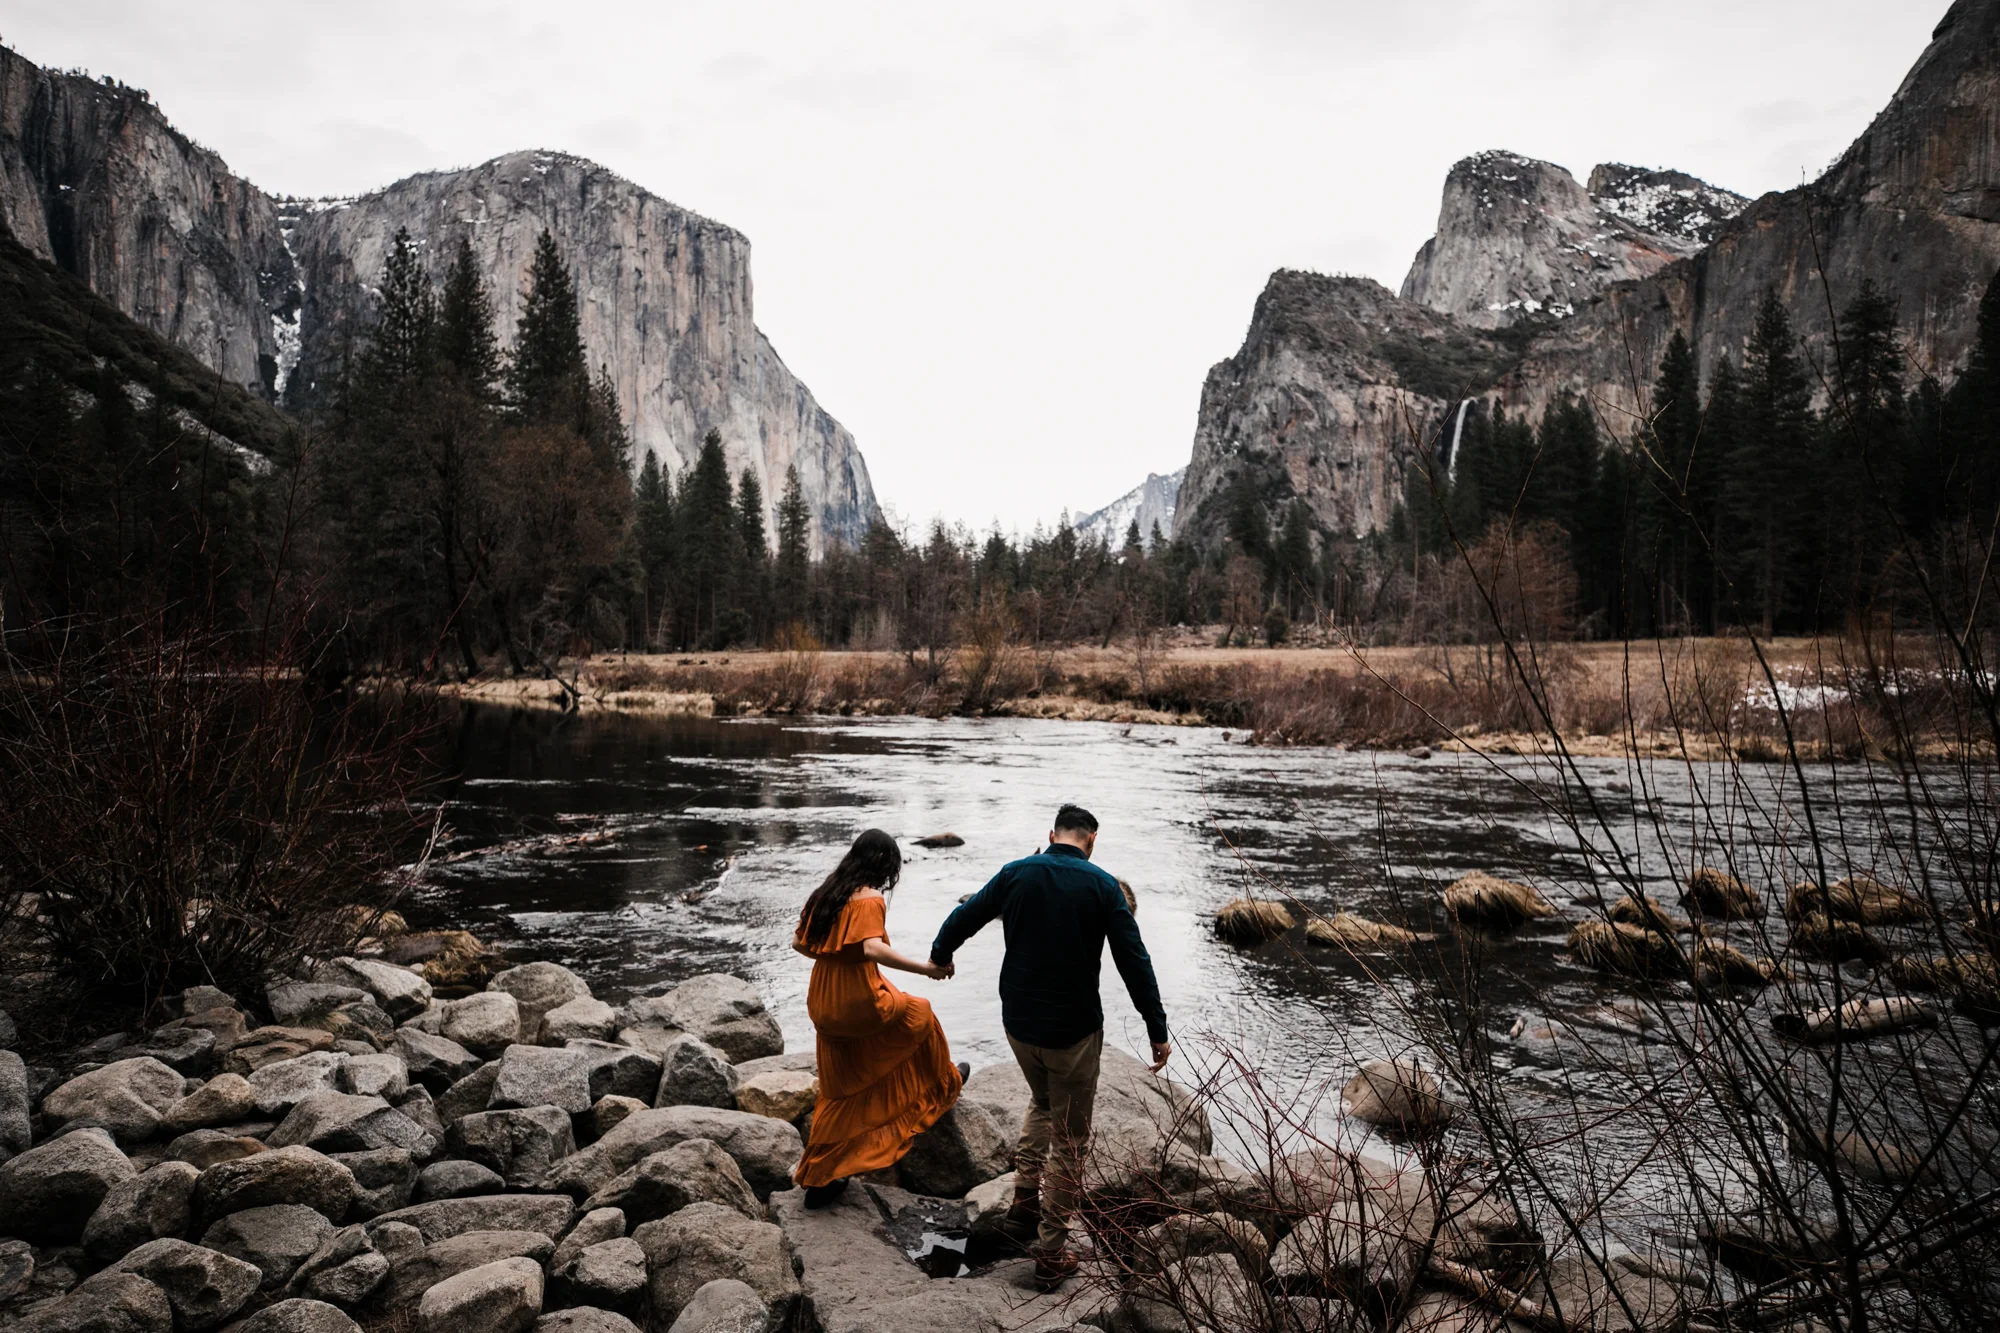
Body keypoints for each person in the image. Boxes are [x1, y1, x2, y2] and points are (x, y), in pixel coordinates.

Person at [929, 804, 1170, 1291]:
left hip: (1019, 1024)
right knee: (1071, 1141)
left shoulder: (1017, 872)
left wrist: (940, 954)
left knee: (1041, 1103)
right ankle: (1051, 1253)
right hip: (1072, 1033)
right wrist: (1156, 1026)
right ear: (1092, 839)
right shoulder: (1102, 886)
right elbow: (1133, 961)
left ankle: (1023, 1207)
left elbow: (967, 914)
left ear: (1052, 834)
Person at [790, 828, 965, 1209]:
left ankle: (821, 1177)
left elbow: (800, 944)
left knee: (841, 1086)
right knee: (921, 1015)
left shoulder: (827, 894)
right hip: (859, 1002)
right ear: (884, 864)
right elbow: (871, 948)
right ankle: (942, 1083)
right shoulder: (870, 900)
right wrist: (925, 968)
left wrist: (838, 960)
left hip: (822, 999)